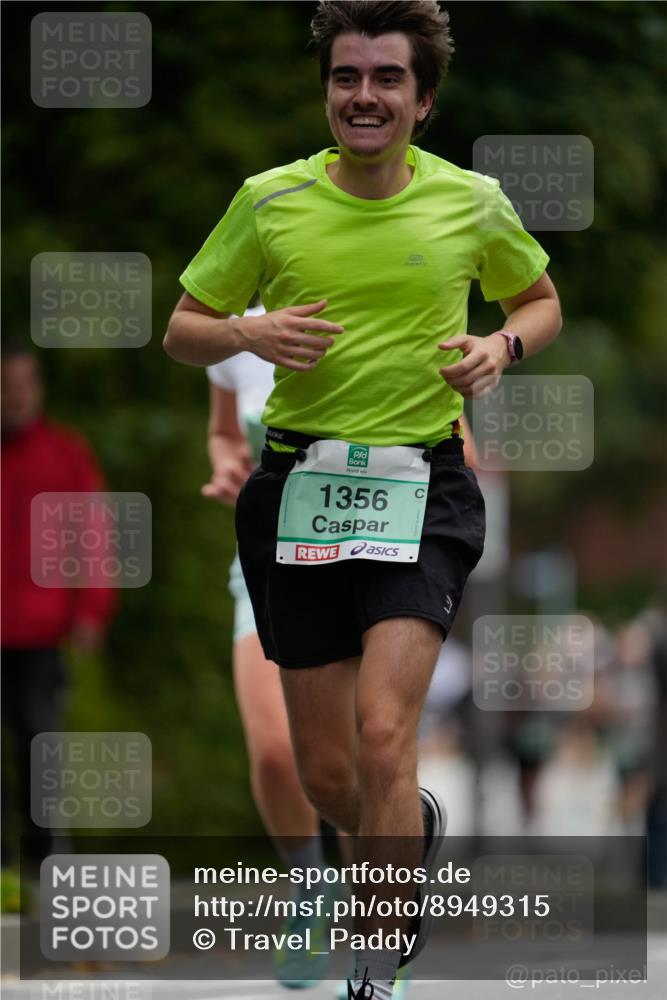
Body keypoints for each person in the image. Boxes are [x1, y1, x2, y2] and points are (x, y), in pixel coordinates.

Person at [164, 3, 561, 995]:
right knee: (329, 774)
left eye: (387, 78)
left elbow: (539, 301)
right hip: (299, 490)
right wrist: (249, 334)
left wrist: (499, 347)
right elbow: (182, 328)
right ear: (327, 92)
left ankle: (373, 965)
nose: (364, 95)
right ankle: (404, 826)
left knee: (386, 732)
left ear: (422, 100)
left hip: (420, 488)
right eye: (347, 77)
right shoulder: (270, 200)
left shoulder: (470, 201)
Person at [202, 302, 337, 990]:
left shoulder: (379, 295)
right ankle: (313, 889)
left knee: (354, 757)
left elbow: (452, 440)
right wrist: (230, 469)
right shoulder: (235, 330)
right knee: (278, 756)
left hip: (364, 560)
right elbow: (224, 437)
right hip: (265, 561)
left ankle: (386, 922)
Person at [1, 345, 117, 867]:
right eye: (7, 384)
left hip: (40, 629)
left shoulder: (65, 453)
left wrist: (91, 610)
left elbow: (93, 536)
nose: (17, 395)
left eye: (26, 383)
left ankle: (45, 861)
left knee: (39, 744)